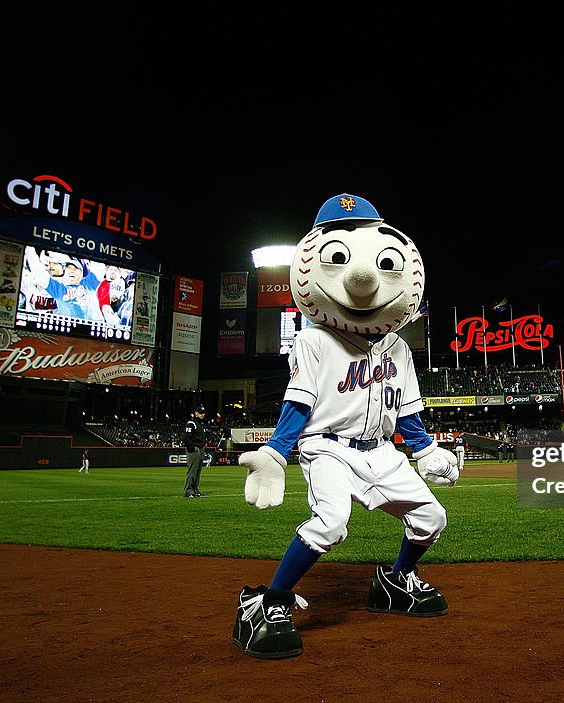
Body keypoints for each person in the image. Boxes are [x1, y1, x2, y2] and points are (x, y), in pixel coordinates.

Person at [233, 193, 459, 660]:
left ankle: (394, 580)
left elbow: (409, 410)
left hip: (380, 450)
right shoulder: (314, 340)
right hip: (330, 448)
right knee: (332, 523)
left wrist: (424, 449)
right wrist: (276, 452)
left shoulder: (397, 347)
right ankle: (267, 602)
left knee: (432, 518)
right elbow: (300, 402)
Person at [183, 405, 207, 497]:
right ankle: (189, 490)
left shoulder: (200, 425)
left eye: (203, 413)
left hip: (200, 448)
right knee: (192, 470)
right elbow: (186, 437)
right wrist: (191, 447)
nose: (202, 414)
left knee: (197, 471)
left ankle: (195, 489)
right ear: (196, 413)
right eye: (200, 412)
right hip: (195, 448)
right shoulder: (191, 423)